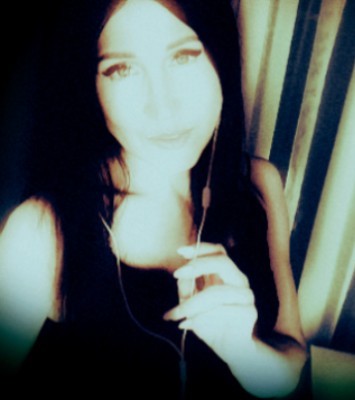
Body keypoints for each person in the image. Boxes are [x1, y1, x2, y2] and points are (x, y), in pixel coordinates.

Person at [0, 0, 308, 398]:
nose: (163, 107)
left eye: (183, 56)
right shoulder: (41, 231)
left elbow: (291, 360)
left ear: (220, 56)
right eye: (122, 69)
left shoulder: (258, 184)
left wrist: (244, 351)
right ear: (91, 86)